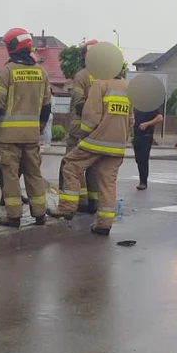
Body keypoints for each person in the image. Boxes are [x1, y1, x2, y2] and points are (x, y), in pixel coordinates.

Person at [53, 61, 130, 236]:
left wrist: (85, 135)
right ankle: (104, 224)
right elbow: (130, 119)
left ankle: (67, 207)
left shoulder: (100, 83)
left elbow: (91, 115)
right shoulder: (126, 87)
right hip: (117, 146)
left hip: (96, 141)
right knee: (108, 182)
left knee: (70, 165)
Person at [0, 27, 51, 227]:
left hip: (8, 137)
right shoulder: (41, 72)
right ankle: (40, 213)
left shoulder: (7, 72)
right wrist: (39, 128)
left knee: (10, 176)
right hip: (31, 137)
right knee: (34, 174)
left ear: (12, 46)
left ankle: (13, 216)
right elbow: (46, 107)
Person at [61, 40, 99, 214]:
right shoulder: (106, 77)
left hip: (79, 129)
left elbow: (78, 104)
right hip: (99, 130)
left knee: (74, 164)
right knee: (94, 165)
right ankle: (94, 201)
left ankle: (81, 201)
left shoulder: (82, 76)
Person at [132, 105, 163, 190]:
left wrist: (146, 124)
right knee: (138, 159)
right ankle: (141, 179)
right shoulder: (137, 105)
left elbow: (159, 117)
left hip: (146, 135)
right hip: (136, 135)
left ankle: (143, 182)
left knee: (143, 159)